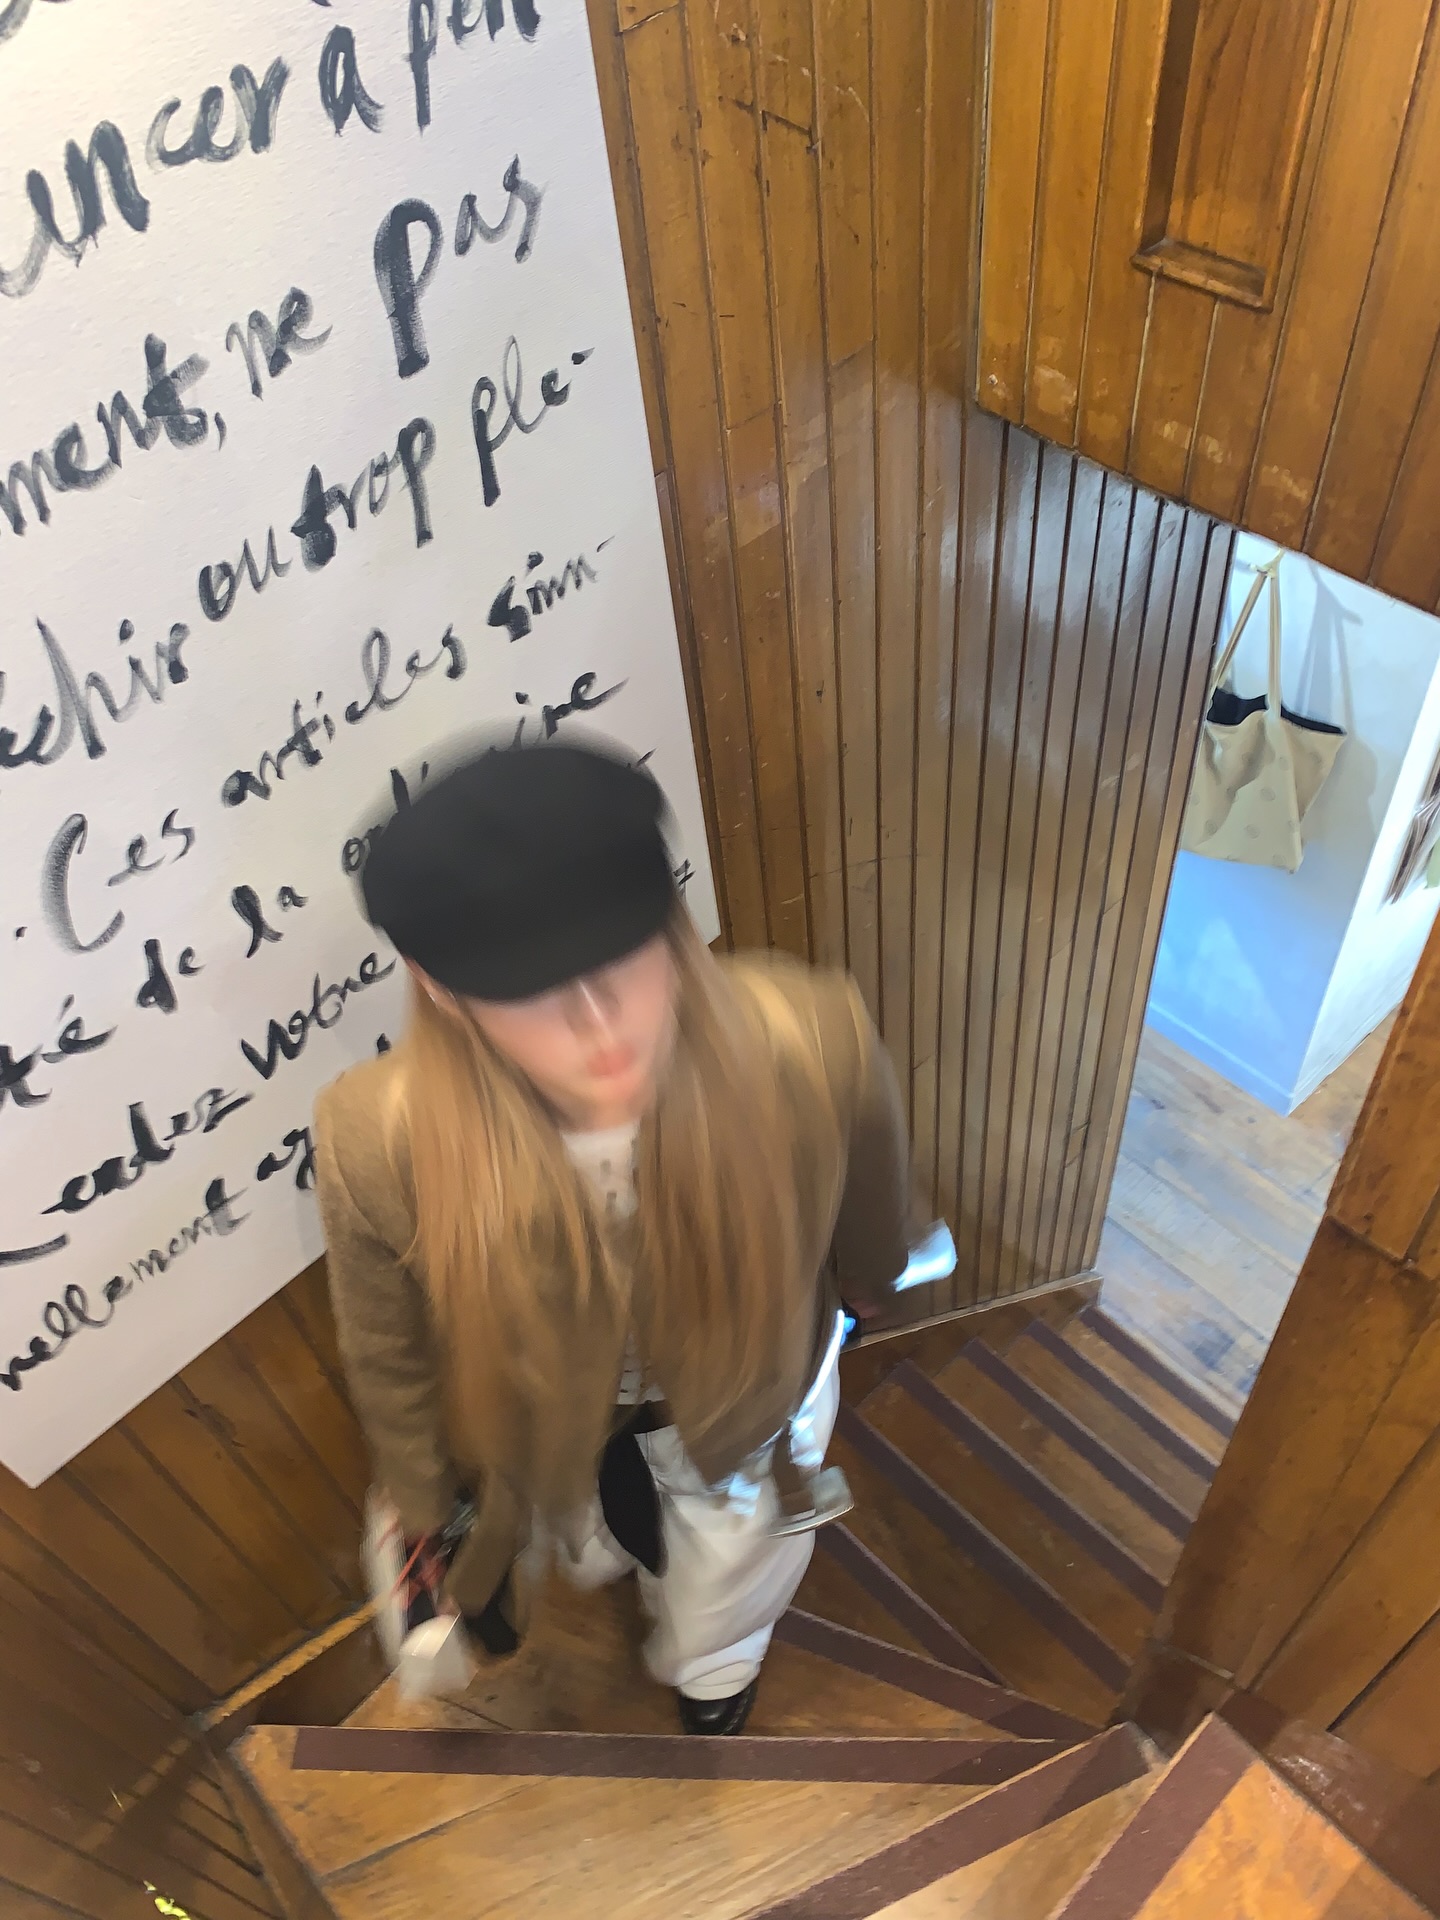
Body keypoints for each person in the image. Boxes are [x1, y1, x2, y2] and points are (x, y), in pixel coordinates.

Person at [314, 739, 910, 1735]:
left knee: (739, 1556)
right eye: (530, 985)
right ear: (440, 986)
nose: (600, 1022)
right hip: (551, 1412)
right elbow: (388, 1346)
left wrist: (870, 1285)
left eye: (625, 953)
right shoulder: (375, 1136)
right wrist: (422, 1500)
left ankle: (719, 1663)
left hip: (751, 1389)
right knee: (590, 1529)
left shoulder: (811, 1035)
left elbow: (873, 1206)